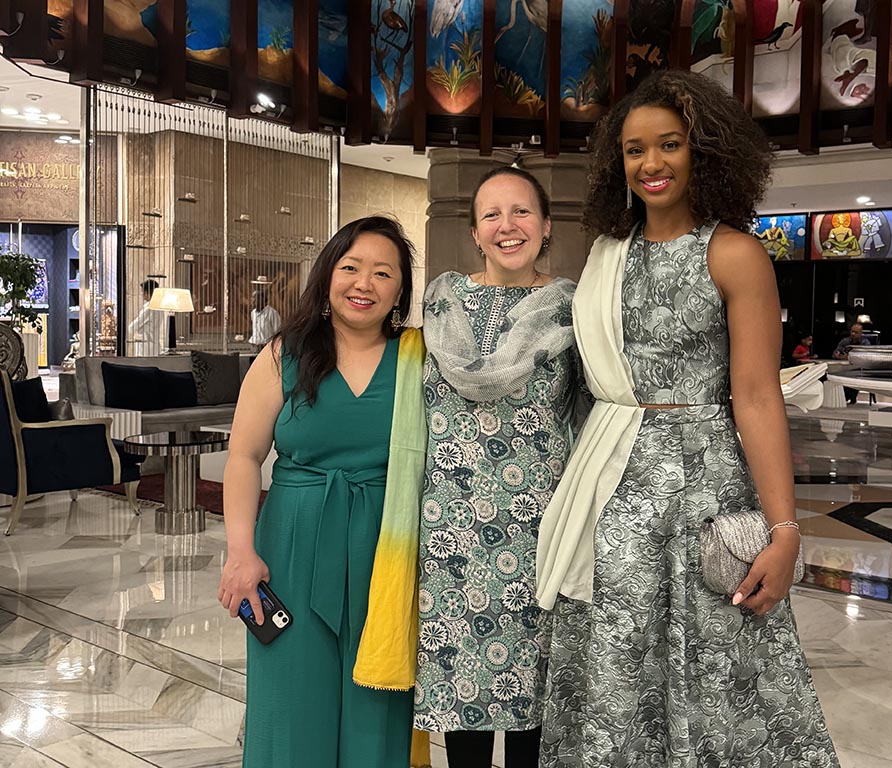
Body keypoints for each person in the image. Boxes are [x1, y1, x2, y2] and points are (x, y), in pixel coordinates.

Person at [536, 69, 837, 766]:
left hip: (706, 493)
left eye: (669, 145)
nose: (651, 164)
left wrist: (786, 529)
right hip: (612, 491)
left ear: (703, 149)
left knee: (722, 665)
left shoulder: (733, 254)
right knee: (616, 665)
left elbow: (757, 396)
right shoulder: (607, 257)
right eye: (635, 150)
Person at [218, 216, 427, 768]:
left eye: (384, 273)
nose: (365, 284)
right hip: (291, 547)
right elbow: (243, 458)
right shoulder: (283, 354)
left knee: (378, 703)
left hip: (389, 552)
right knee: (291, 703)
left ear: (401, 289)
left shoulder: (418, 358)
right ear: (327, 274)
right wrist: (241, 552)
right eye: (351, 267)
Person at [414, 167, 581, 768]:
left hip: (540, 528)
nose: (507, 226)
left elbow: (590, 415)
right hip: (452, 533)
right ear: (475, 233)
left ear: (546, 226)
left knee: (534, 706)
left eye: (521, 212)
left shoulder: (572, 311)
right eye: (492, 215)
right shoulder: (441, 302)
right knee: (464, 707)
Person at [834, 322, 873, 404]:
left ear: (861, 333)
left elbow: (867, 356)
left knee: (854, 374)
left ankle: (851, 396)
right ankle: (844, 396)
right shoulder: (845, 341)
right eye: (852, 331)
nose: (853, 334)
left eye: (856, 332)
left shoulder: (865, 343)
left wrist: (850, 357)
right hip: (845, 367)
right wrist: (837, 355)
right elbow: (836, 352)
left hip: (860, 368)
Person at [126, 278, 165, 356]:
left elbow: (132, 328)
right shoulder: (160, 307)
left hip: (146, 348)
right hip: (155, 346)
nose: (141, 294)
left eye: (142, 291)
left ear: (146, 293)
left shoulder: (149, 308)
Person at [249, 281, 282, 347]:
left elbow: (278, 333)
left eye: (255, 298)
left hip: (266, 347)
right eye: (252, 298)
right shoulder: (253, 313)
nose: (252, 301)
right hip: (254, 346)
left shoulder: (272, 313)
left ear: (263, 300)